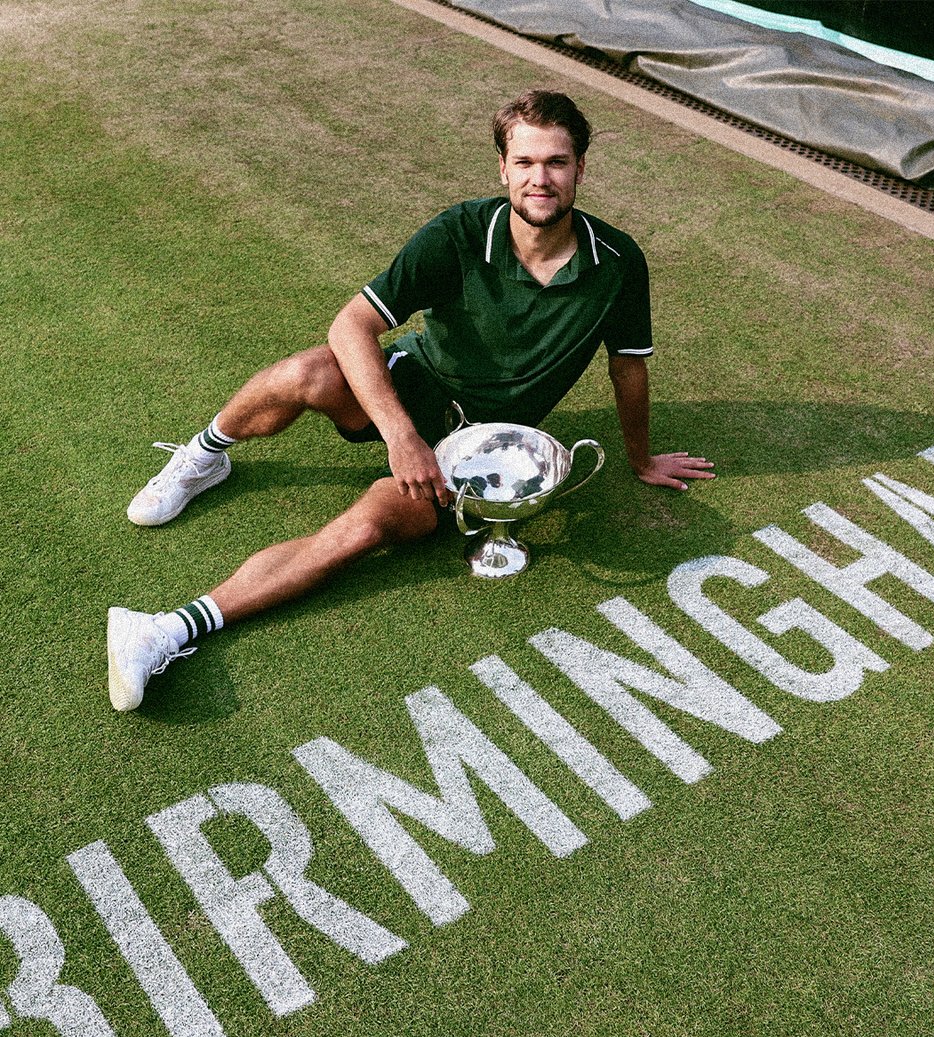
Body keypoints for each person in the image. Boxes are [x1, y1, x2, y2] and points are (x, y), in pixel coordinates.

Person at [107, 89, 715, 712]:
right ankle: (207, 455)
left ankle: (164, 630)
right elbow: (350, 326)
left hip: (480, 448)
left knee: (368, 525)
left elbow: (627, 367)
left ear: (580, 169)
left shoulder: (617, 262)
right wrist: (401, 435)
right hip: (413, 386)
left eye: (556, 163)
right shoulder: (456, 234)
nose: (541, 179)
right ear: (503, 168)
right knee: (306, 373)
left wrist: (640, 459)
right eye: (525, 163)